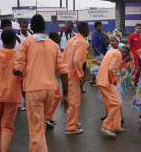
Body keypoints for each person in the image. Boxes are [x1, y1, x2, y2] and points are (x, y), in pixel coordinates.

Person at [13, 14, 69, 152]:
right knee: (40, 125)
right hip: (50, 90)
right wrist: (66, 94)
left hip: (34, 90)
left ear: (31, 27)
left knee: (36, 127)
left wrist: (14, 68)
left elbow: (17, 70)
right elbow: (63, 71)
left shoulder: (26, 43)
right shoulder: (54, 45)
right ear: (44, 27)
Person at [0, 29, 21, 152]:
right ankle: (3, 150)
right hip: (12, 95)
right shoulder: (19, 56)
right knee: (7, 126)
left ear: (2, 41)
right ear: (14, 41)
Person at [96, 32, 132, 122]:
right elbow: (107, 63)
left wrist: (125, 66)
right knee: (106, 97)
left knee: (118, 97)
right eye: (110, 41)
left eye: (114, 41)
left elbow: (128, 60)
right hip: (109, 77)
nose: (111, 42)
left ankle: (120, 116)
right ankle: (108, 113)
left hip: (117, 76)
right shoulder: (110, 50)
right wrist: (99, 63)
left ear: (118, 41)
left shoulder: (122, 50)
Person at [95, 46, 131, 137]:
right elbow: (111, 69)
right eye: (125, 55)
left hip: (101, 80)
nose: (124, 57)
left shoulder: (111, 51)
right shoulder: (118, 54)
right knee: (117, 103)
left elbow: (113, 65)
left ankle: (115, 126)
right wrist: (113, 79)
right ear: (123, 52)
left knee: (112, 103)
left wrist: (124, 62)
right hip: (106, 81)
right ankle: (106, 126)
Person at [63, 22, 89, 134]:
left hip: (67, 72)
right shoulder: (82, 42)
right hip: (73, 74)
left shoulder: (71, 40)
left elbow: (64, 56)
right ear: (84, 30)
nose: (88, 31)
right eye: (88, 29)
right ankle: (70, 127)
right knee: (74, 101)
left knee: (77, 98)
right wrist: (81, 75)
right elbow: (77, 60)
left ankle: (74, 121)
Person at [45, 31, 63, 127]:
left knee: (57, 95)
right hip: (49, 75)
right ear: (55, 37)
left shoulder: (47, 45)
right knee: (56, 95)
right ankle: (47, 117)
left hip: (48, 74)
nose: (60, 38)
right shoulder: (55, 46)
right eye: (59, 37)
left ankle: (48, 117)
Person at [91, 21, 106, 86]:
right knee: (101, 67)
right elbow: (94, 46)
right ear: (95, 27)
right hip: (99, 54)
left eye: (101, 26)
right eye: (99, 26)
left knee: (100, 67)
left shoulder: (101, 33)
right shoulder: (95, 35)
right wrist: (100, 54)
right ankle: (96, 81)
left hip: (103, 52)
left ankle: (92, 81)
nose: (101, 27)